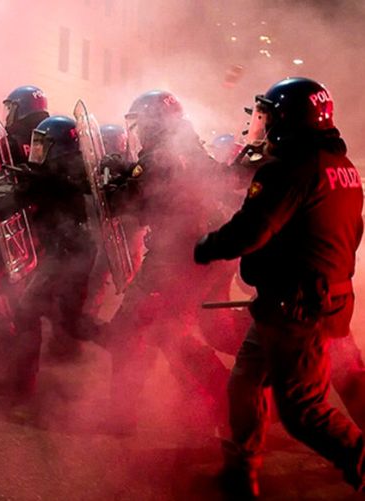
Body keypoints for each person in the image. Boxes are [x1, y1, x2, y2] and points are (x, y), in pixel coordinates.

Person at [194, 77, 365, 497]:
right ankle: (242, 471)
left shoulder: (289, 167)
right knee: (246, 382)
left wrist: (207, 247)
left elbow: (251, 231)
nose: (259, 121)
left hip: (298, 307)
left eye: (264, 113)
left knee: (303, 408)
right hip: (306, 297)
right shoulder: (339, 165)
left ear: (286, 117)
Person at [96, 90, 230, 435]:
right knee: (171, 332)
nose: (137, 132)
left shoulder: (162, 156)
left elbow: (130, 203)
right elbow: (160, 182)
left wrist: (112, 183)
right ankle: (214, 404)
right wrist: (128, 169)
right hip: (198, 254)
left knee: (133, 332)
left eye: (140, 124)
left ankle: (123, 416)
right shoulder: (188, 148)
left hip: (174, 258)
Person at [0, 115, 95, 399]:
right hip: (70, 252)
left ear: (58, 147)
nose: (35, 149)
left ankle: (22, 385)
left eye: (42, 144)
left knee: (28, 310)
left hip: (66, 254)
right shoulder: (68, 170)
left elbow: (6, 204)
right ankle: (115, 338)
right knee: (65, 319)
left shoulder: (54, 175)